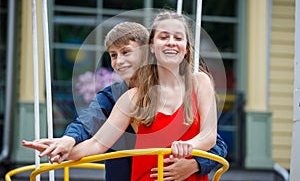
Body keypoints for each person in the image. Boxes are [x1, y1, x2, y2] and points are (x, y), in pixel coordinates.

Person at [22, 19, 227, 180]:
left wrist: (194, 165)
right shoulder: (118, 95)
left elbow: (214, 142)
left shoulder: (196, 84)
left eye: (126, 52)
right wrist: (65, 144)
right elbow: (90, 127)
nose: (119, 61)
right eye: (113, 55)